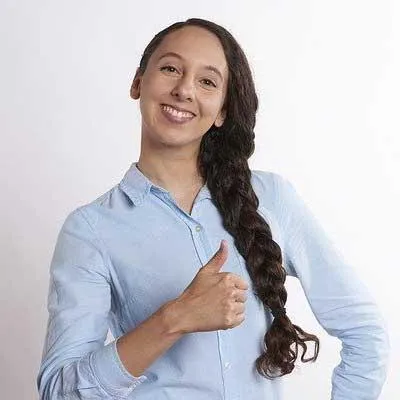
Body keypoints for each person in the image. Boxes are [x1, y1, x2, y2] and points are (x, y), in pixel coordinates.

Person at [36, 18, 389, 399]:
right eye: (170, 68)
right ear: (138, 82)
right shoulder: (90, 229)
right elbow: (60, 391)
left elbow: (365, 333)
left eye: (207, 81)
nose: (184, 90)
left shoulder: (272, 198)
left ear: (222, 110)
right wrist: (174, 318)